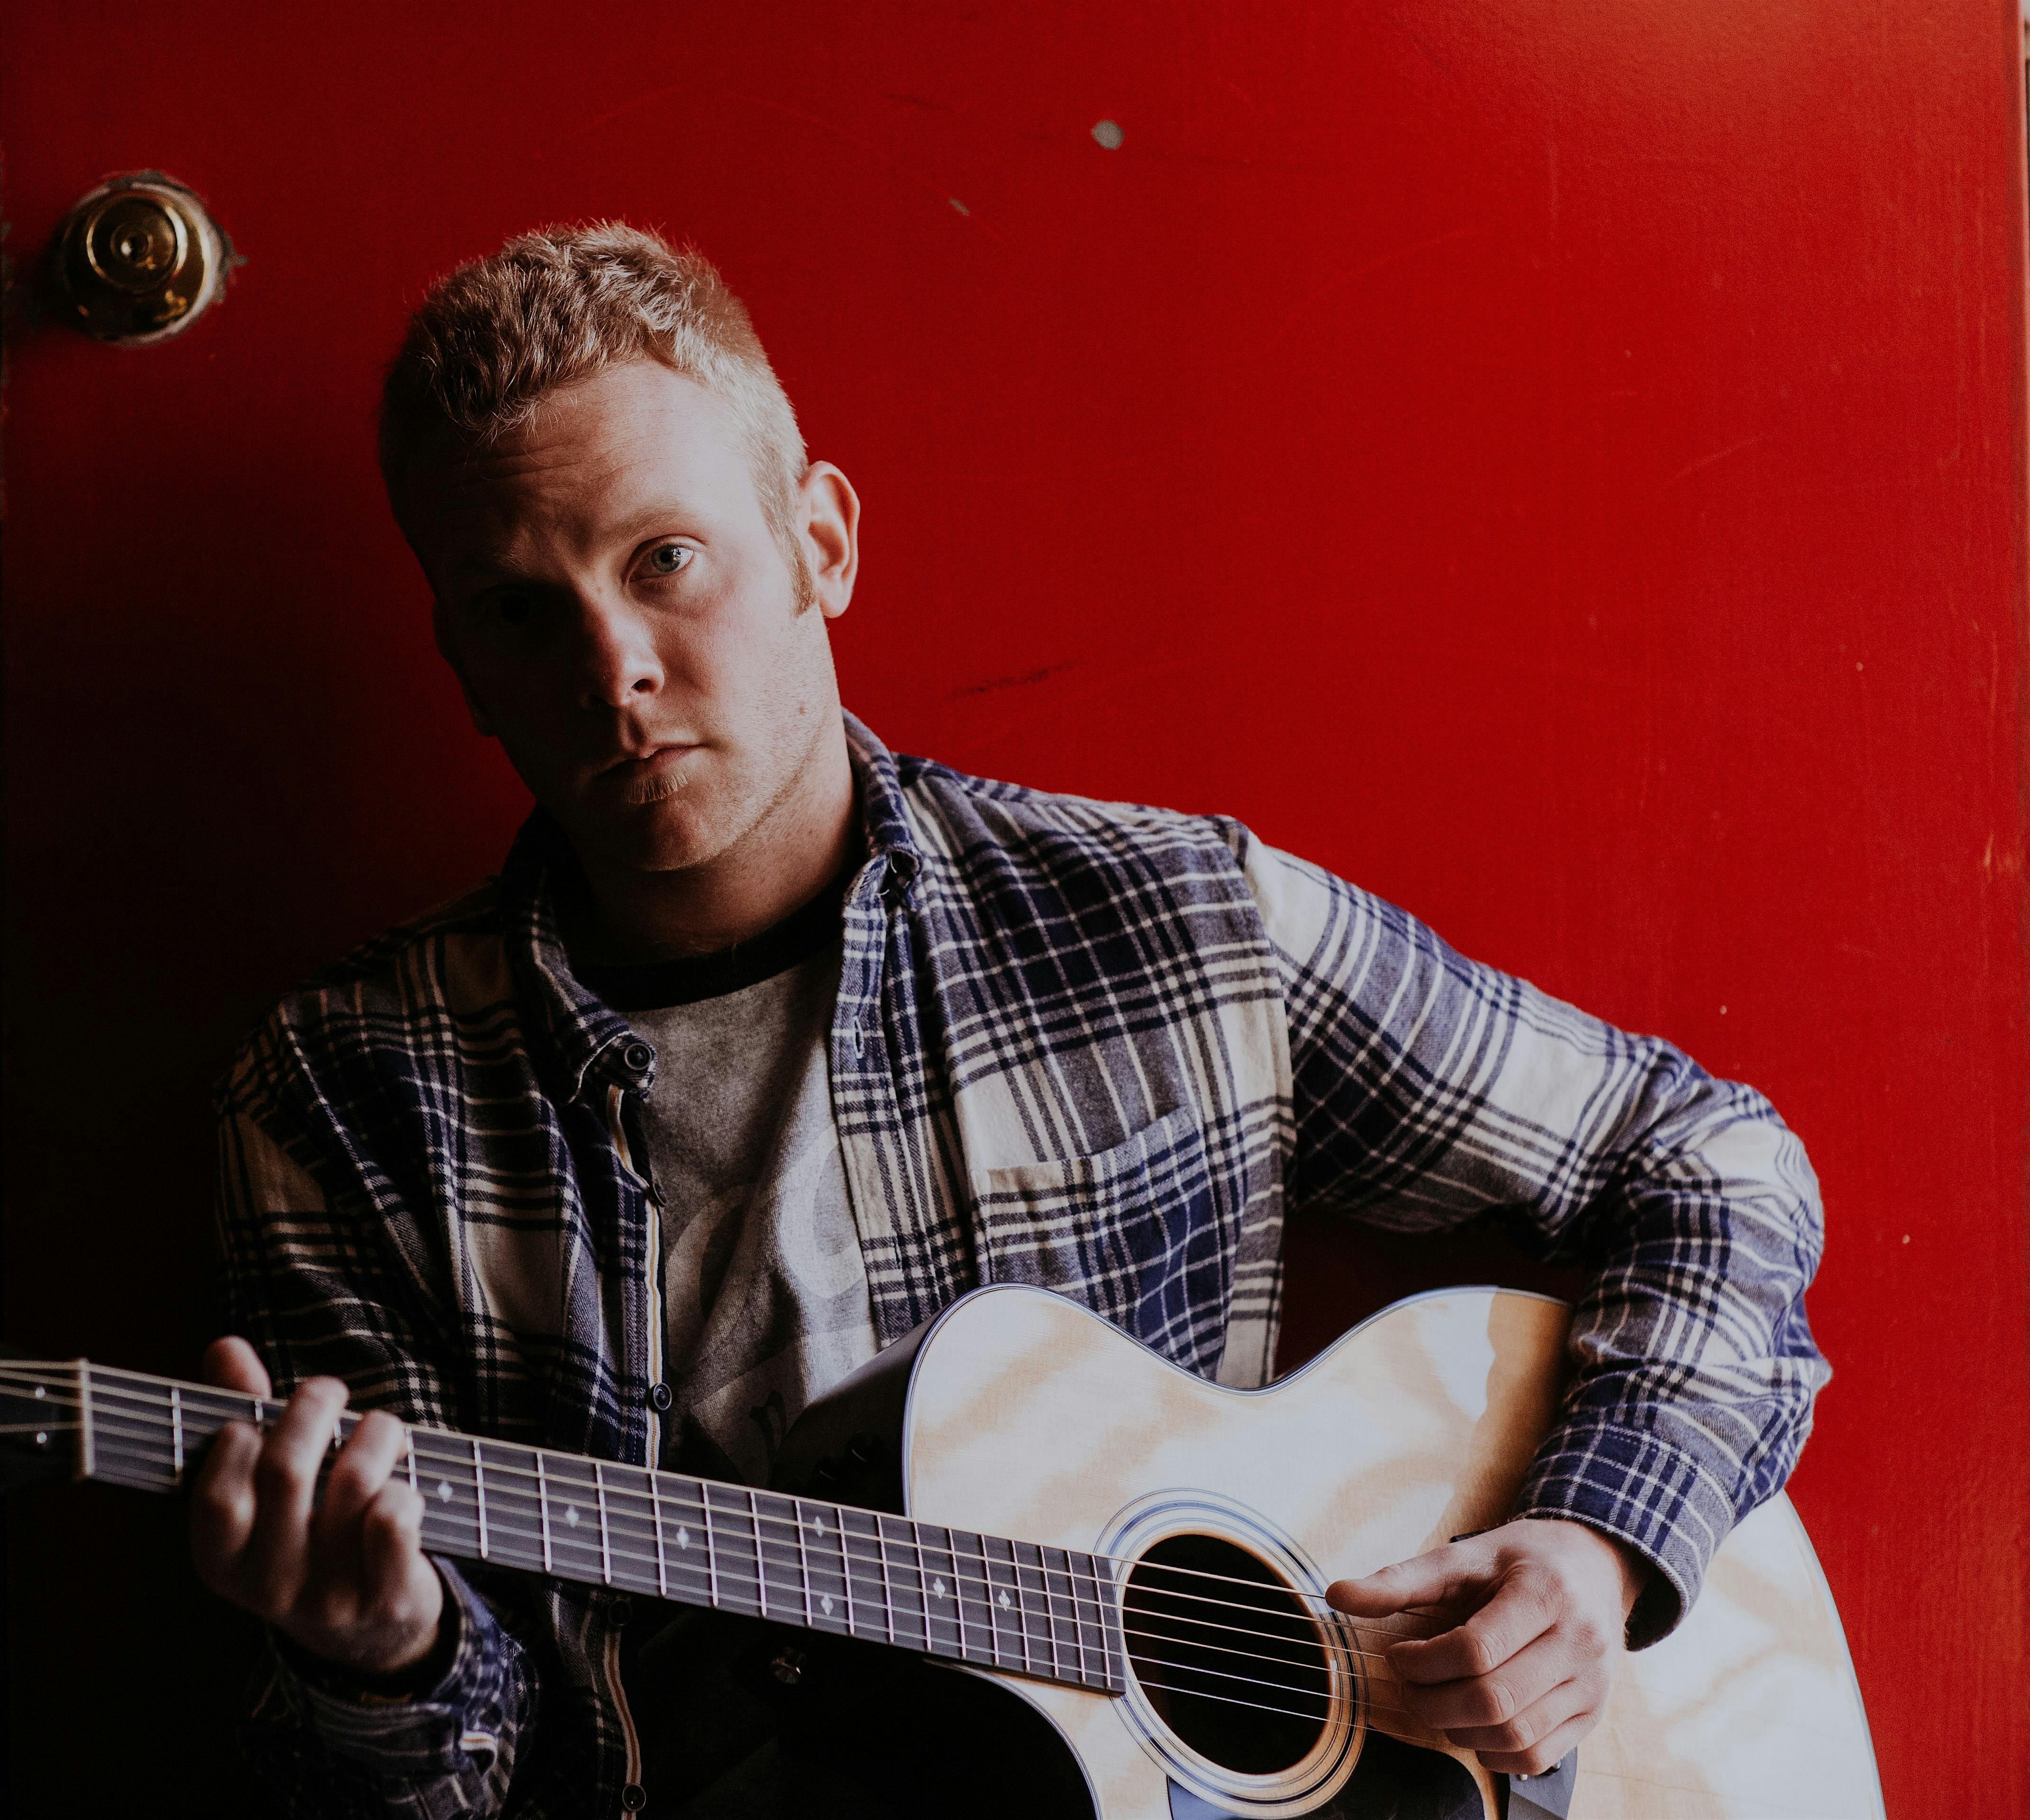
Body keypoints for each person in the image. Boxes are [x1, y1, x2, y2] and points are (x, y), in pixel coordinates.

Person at [184, 221, 1825, 1819]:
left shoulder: (1173, 924)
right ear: (459, 660)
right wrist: (383, 1660)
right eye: (517, 610)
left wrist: (1597, 1546)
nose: (611, 667)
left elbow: (1709, 1159)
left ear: (822, 542)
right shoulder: (344, 1095)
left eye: (664, 559)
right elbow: (449, 1776)